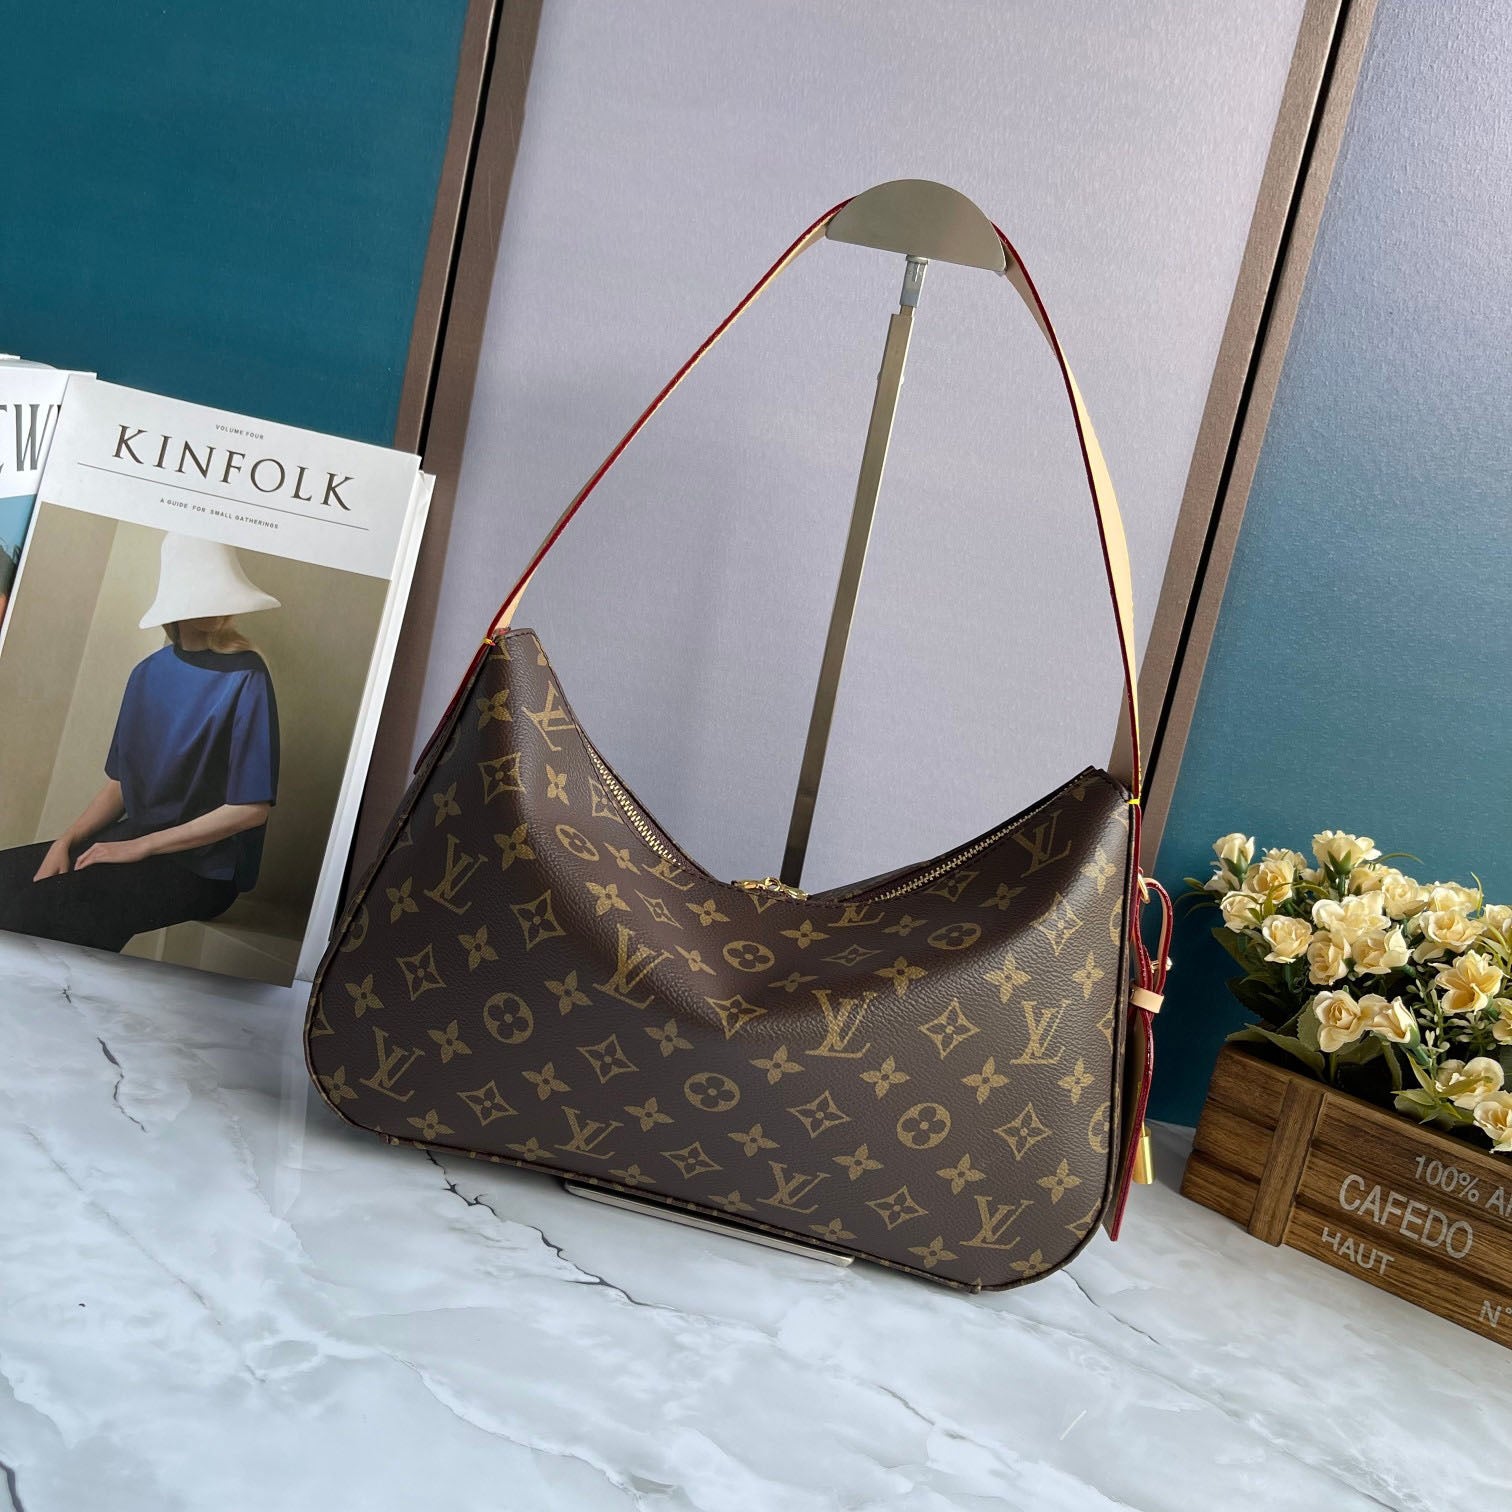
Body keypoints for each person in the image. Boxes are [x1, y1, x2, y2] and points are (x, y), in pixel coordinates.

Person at [0, 532, 281, 953]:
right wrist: (66, 841)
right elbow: (120, 785)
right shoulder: (145, 674)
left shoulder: (247, 675)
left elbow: (251, 809)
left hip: (205, 870)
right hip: (131, 838)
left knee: (46, 908)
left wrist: (140, 847)